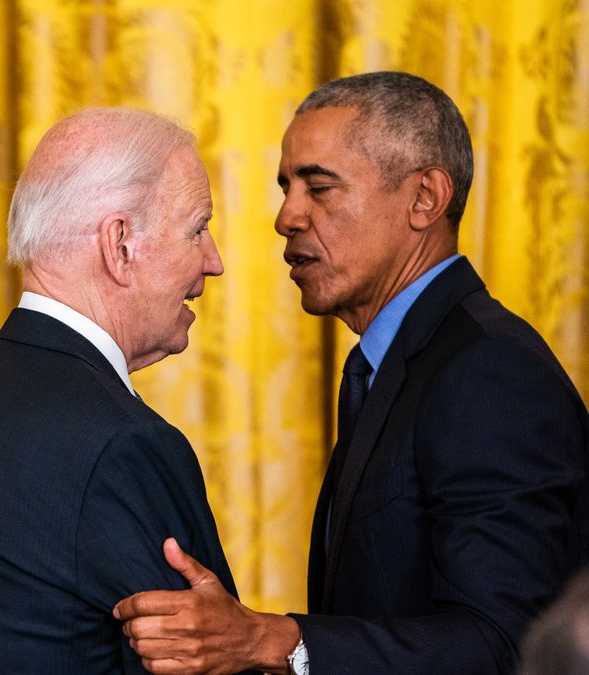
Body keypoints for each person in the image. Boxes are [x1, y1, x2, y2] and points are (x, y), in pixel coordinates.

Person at [114, 71, 589, 673]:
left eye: (320, 187)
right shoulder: (396, 362)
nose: (286, 217)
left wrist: (273, 641)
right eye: (287, 188)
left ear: (425, 198)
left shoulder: (488, 373)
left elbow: (505, 644)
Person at [0, 107, 234, 672]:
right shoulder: (125, 444)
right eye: (197, 229)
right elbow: (213, 660)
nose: (214, 261)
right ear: (120, 244)